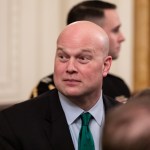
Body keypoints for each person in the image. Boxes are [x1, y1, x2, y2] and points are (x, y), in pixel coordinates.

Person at [0, 21, 120, 150]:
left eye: (83, 58)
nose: (70, 68)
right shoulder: (13, 124)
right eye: (63, 57)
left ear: (105, 66)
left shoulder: (128, 121)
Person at [30, 0, 131, 103]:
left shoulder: (118, 86)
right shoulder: (46, 89)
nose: (122, 38)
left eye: (83, 58)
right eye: (115, 30)